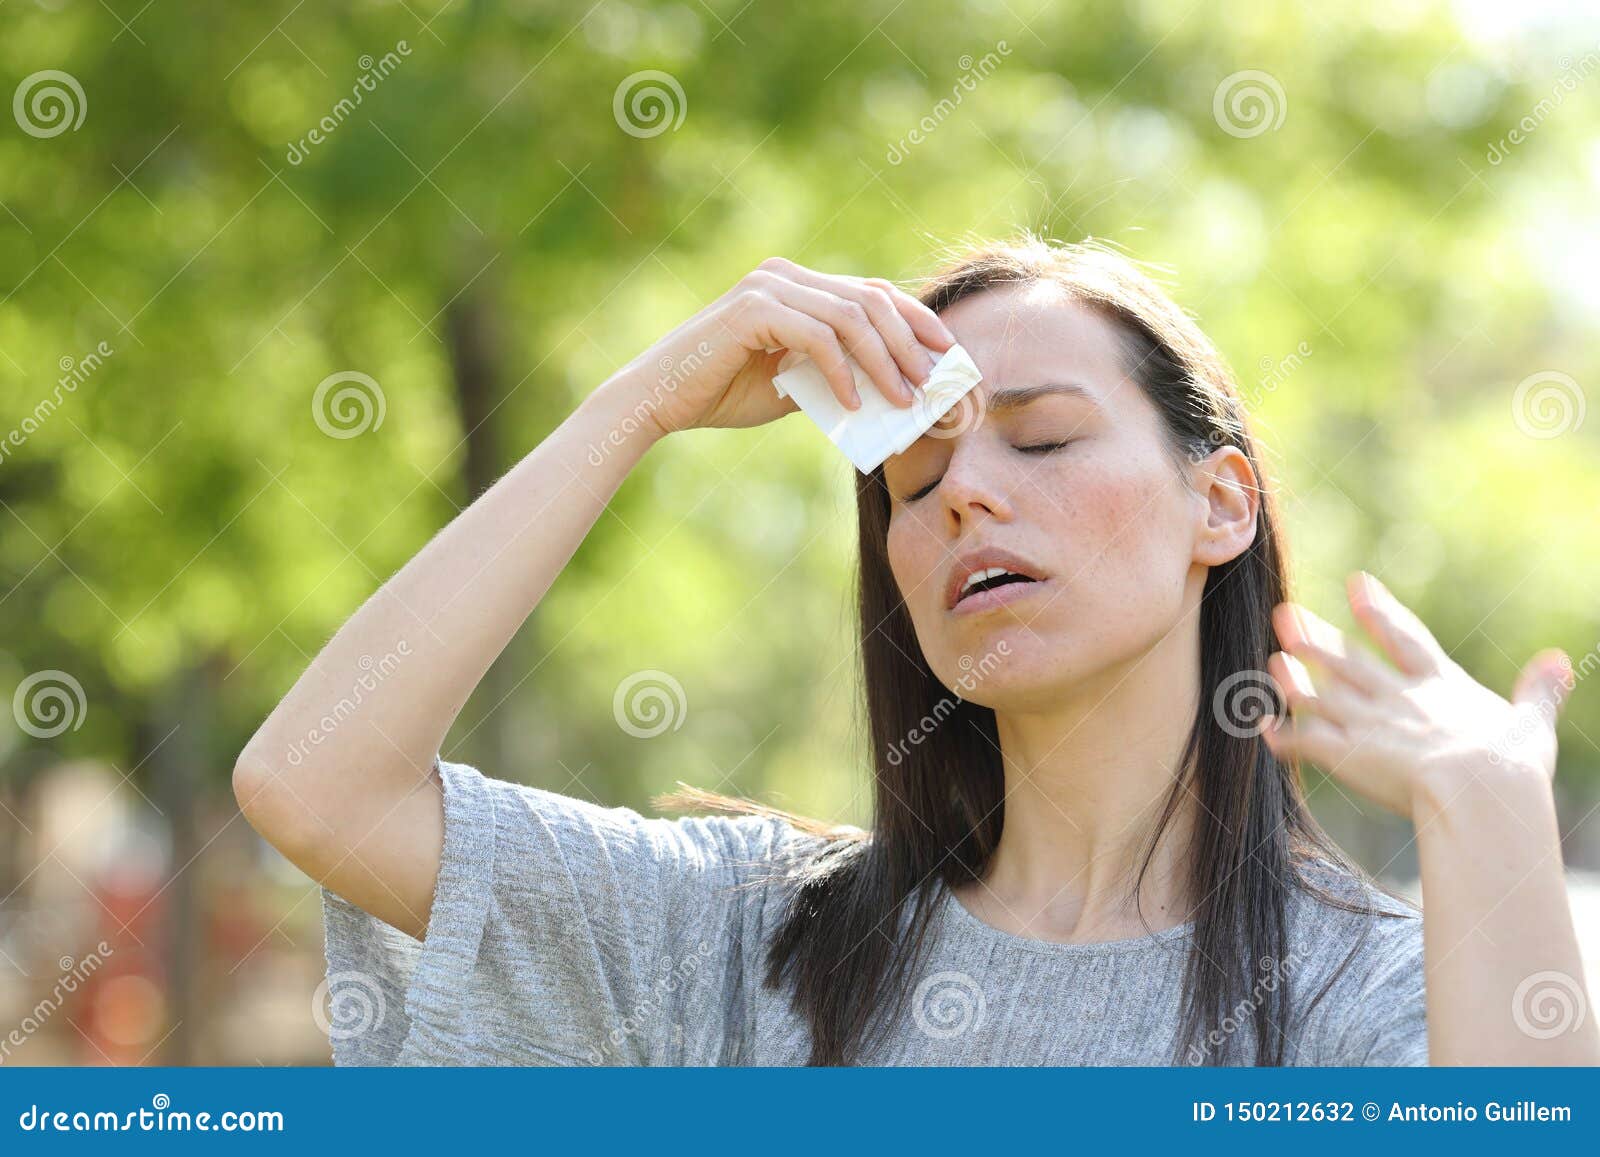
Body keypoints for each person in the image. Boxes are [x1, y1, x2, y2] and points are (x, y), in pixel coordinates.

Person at [235, 234, 1597, 1066]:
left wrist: (1491, 810)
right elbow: (315, 781)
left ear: (1219, 502)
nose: (966, 495)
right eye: (913, 477)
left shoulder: (1373, 998)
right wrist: (642, 404)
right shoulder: (754, 940)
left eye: (1045, 437)